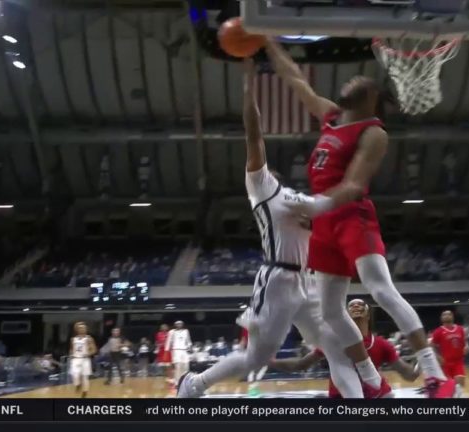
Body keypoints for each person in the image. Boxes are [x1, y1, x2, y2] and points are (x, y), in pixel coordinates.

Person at [264, 39, 454, 397]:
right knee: (332, 312)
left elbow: (353, 185)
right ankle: (371, 380)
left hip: (352, 217)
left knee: (381, 290)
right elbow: (295, 80)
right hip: (323, 225)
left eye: (359, 82)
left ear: (372, 97)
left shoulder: (373, 132)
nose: (350, 81)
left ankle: (434, 374)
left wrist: (311, 205)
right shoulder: (332, 116)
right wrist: (268, 43)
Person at [177, 59, 362, 399]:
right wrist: (249, 88)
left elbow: (327, 213)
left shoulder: (297, 197)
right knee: (255, 358)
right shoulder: (262, 189)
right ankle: (194, 383)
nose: (267, 169)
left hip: (308, 282)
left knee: (335, 346)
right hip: (277, 280)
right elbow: (254, 134)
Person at [271, 299, 419, 398]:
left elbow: (410, 375)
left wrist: (423, 357)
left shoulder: (382, 344)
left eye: (360, 304)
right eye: (351, 305)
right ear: (345, 315)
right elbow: (300, 364)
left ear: (369, 314)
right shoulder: (333, 341)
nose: (355, 306)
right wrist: (269, 361)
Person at [430, 310, 468, 398]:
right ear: (441, 318)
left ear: (453, 317)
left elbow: (464, 342)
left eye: (449, 314)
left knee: (459, 387)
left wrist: (467, 346)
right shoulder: (438, 331)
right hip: (445, 363)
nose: (447, 316)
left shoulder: (460, 329)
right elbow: (432, 346)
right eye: (444, 314)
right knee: (448, 389)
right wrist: (437, 356)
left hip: (458, 362)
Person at [70, 322, 97, 398]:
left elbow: (94, 349)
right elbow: (72, 349)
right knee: (75, 374)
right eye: (80, 328)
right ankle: (77, 384)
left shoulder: (89, 339)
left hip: (85, 359)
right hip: (76, 359)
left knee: (85, 377)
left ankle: (85, 391)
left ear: (86, 329)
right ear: (77, 329)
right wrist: (71, 354)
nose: (82, 329)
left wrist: (88, 353)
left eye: (84, 328)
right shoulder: (73, 339)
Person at [167, 320, 193, 385]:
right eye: (177, 324)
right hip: (176, 350)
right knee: (178, 366)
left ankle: (186, 381)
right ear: (175, 325)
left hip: (184, 350)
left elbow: (188, 341)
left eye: (180, 324)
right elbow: (168, 341)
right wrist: (167, 350)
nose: (179, 325)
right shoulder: (172, 332)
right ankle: (177, 382)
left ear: (182, 324)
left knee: (186, 366)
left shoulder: (186, 331)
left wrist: (190, 347)